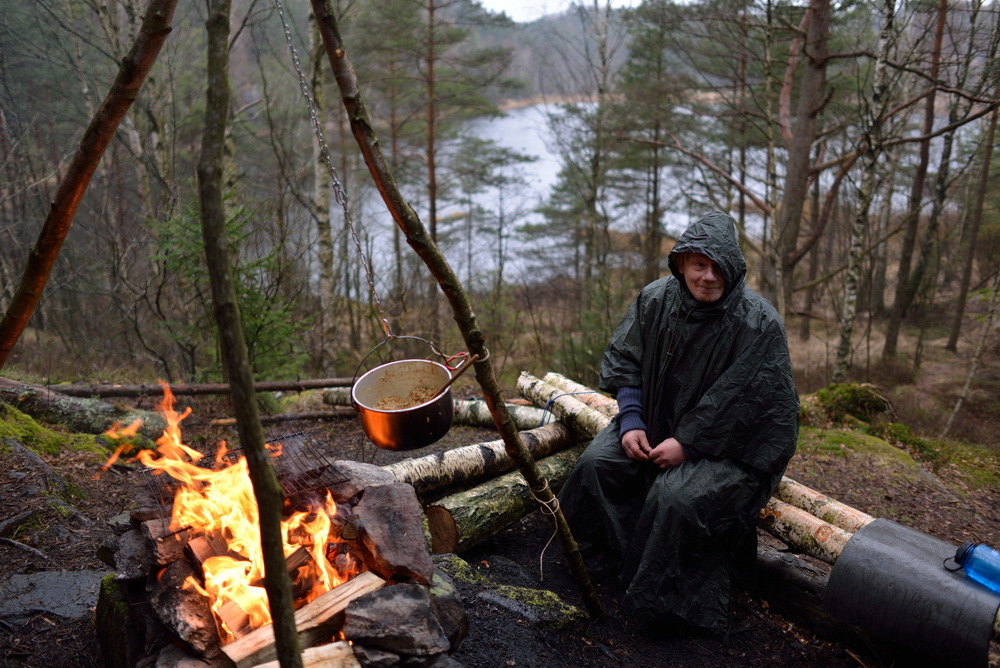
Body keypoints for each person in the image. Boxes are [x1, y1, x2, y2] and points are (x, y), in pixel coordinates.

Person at [558, 211, 799, 631]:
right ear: (682, 263)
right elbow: (625, 358)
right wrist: (632, 420)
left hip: (730, 448)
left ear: (734, 268)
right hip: (652, 424)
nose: (708, 277)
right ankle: (605, 562)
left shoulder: (758, 323)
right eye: (699, 265)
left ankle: (666, 605)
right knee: (597, 463)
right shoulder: (656, 300)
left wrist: (689, 444)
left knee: (676, 498)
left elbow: (746, 403)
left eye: (718, 267)